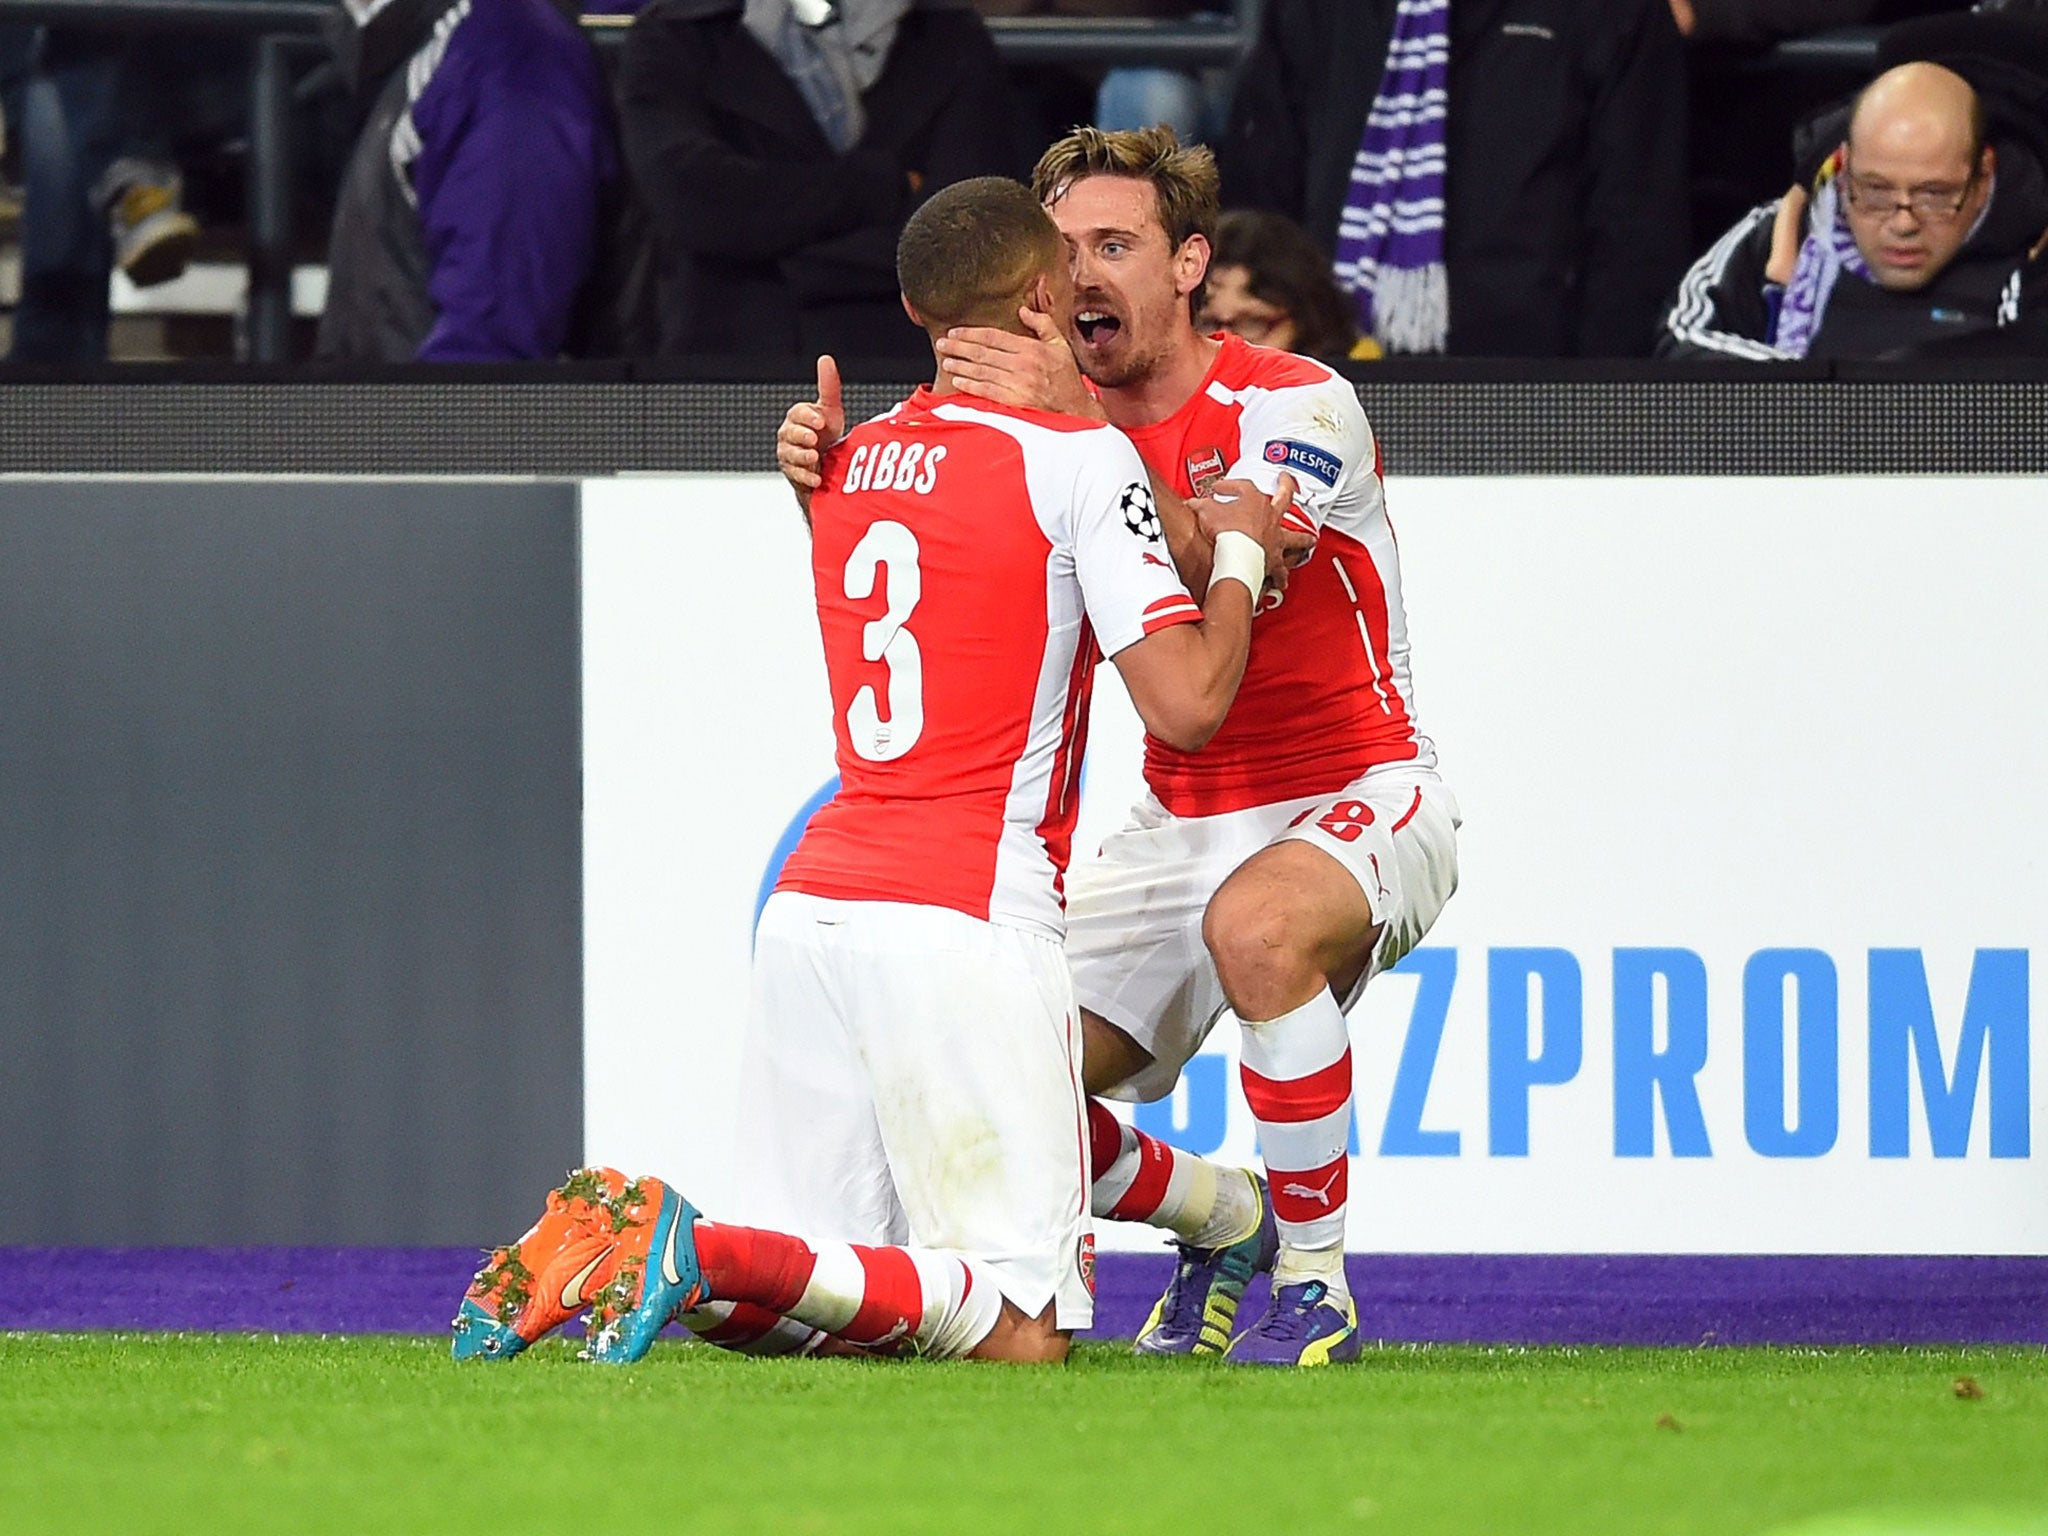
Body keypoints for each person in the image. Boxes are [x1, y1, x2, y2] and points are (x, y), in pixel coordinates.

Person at [452, 174, 1293, 1367]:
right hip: (963, 911)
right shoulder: (1073, 459)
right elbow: (1190, 702)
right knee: (1019, 1336)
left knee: (820, 1306)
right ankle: (688, 1249)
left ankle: (660, 1258)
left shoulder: (850, 455)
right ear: (1044, 296)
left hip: (814, 916)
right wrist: (1242, 558)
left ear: (913, 308)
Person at [781, 126, 1461, 1366]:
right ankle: (1222, 1219)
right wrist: (828, 474)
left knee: (1256, 931)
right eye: (1065, 250)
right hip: (1175, 817)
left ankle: (1315, 1283)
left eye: (1117, 244)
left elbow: (1234, 553)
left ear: (1189, 260)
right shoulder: (1057, 426)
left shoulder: (1295, 399)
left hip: (1359, 791)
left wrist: (1070, 432)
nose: (1084, 275)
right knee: (1006, 1064)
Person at [1217, 0, 1690, 357]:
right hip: (1328, 383)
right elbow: (1262, 197)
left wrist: (1598, 398)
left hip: (1533, 383)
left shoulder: (1612, 12)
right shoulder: (1314, 10)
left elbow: (1637, 226)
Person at [615, 0, 1021, 362]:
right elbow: (696, 203)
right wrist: (885, 185)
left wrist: (768, 247)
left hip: (903, 366)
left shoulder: (951, 35)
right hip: (725, 365)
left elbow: (968, 234)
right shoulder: (675, 33)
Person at [1659, 59, 2048, 357]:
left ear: (1983, 179)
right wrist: (1827, 392)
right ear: (1843, 168)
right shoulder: (1784, 233)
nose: (1902, 223)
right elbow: (1682, 339)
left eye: (1934, 195)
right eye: (1876, 191)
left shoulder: (2031, 261)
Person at [317, 0, 631, 362]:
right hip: (394, 411)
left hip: (451, 415)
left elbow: (493, 347)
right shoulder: (429, 50)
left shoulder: (509, 53)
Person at [1199, 208, 1371, 362]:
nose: (1225, 345)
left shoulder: (1360, 380)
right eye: (1207, 324)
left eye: (1251, 324)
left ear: (1307, 324)